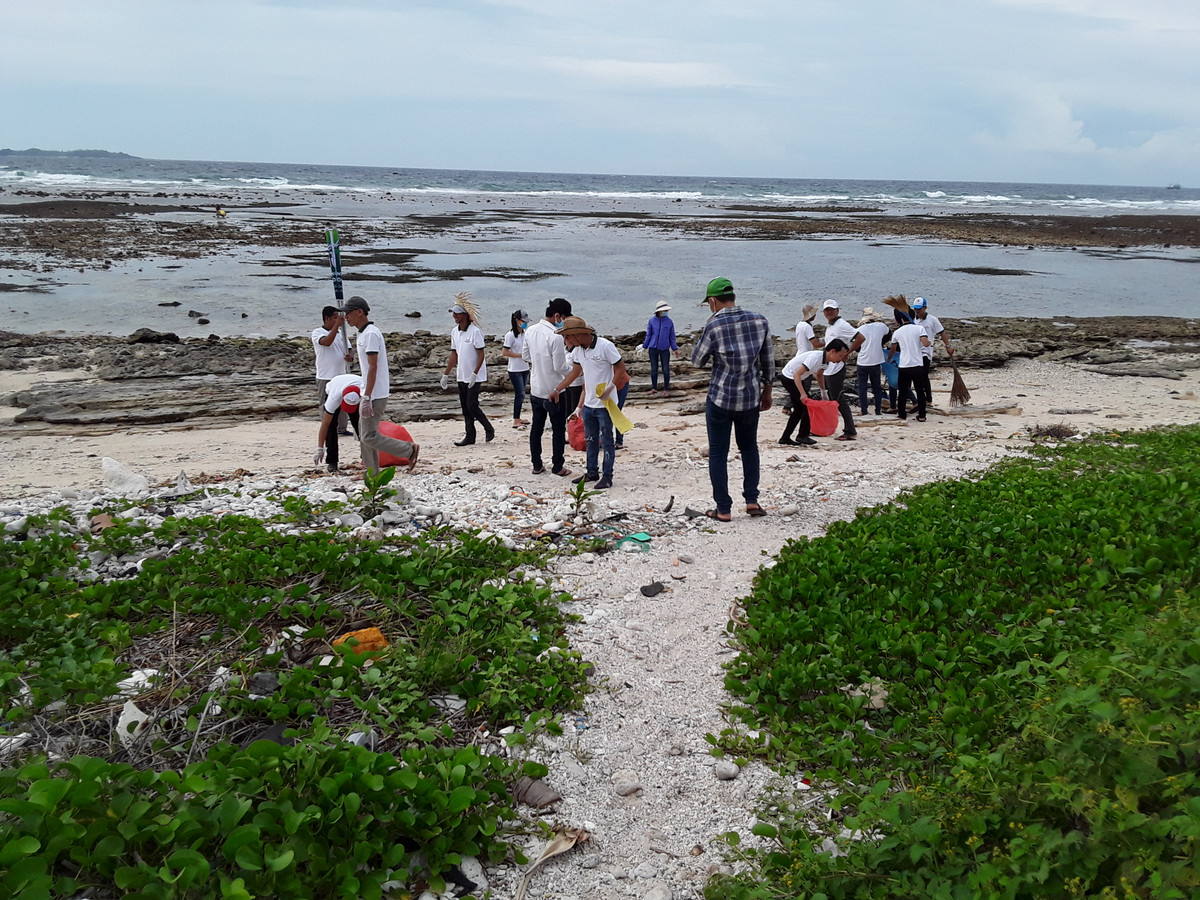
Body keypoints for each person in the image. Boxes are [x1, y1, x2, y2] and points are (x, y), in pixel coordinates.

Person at [691, 277, 774, 522]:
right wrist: (767, 391)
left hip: (721, 397)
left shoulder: (714, 325)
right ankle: (752, 500)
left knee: (718, 451)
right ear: (734, 296)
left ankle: (723, 508)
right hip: (750, 397)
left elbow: (697, 361)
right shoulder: (760, 320)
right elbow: (768, 360)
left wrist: (708, 326)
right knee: (749, 447)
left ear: (713, 301)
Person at [550, 316, 628, 490]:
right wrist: (558, 388)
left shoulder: (605, 346)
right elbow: (575, 373)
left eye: (567, 337)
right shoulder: (578, 351)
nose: (565, 341)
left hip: (606, 404)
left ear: (576, 335)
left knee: (607, 441)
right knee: (590, 439)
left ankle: (607, 476)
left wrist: (611, 387)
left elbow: (621, 368)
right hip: (589, 404)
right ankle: (592, 471)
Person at [342, 295, 406, 474]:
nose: (346, 317)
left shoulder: (370, 333)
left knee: (368, 436)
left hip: (375, 392)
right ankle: (372, 473)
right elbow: (366, 361)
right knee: (364, 437)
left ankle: (408, 450)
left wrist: (367, 397)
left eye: (349, 313)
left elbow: (373, 366)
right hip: (368, 389)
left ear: (360, 312)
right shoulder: (361, 333)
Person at [313, 373, 418, 474]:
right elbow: (325, 425)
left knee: (362, 428)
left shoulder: (365, 392)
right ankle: (332, 461)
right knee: (331, 428)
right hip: (336, 388)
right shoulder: (334, 398)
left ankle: (366, 458)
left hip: (360, 393)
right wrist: (320, 448)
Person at [521, 298, 574, 477]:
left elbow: (525, 355)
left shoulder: (530, 331)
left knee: (537, 427)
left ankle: (537, 464)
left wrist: (539, 362)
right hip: (555, 389)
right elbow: (560, 367)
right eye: (564, 318)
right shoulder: (556, 336)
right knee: (558, 429)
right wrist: (574, 370)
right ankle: (557, 465)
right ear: (557, 316)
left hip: (536, 387)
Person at [777, 339, 851, 446]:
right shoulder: (816, 357)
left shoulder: (826, 361)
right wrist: (803, 394)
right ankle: (800, 436)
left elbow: (819, 375)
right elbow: (796, 375)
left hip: (798, 379)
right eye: (840, 356)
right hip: (789, 377)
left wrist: (823, 392)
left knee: (800, 409)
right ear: (833, 351)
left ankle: (788, 437)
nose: (841, 360)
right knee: (805, 406)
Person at [442, 302, 494, 446]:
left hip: (474, 375)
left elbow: (481, 354)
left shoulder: (475, 332)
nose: (455, 316)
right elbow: (454, 354)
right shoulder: (455, 332)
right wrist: (446, 374)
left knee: (472, 405)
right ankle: (470, 436)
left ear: (465, 315)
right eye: (454, 314)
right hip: (461, 374)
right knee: (465, 407)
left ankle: (488, 428)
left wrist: (475, 373)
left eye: (457, 313)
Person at [819, 299, 858, 441]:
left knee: (839, 399)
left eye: (832, 309)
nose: (829, 312)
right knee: (834, 399)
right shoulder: (831, 326)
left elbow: (859, 337)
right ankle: (829, 426)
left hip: (837, 368)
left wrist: (847, 353)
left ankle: (850, 430)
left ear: (838, 310)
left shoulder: (842, 325)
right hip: (829, 367)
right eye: (827, 310)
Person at [312, 305, 354, 436]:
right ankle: (328, 428)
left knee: (342, 403)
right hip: (325, 375)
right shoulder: (317, 332)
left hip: (341, 374)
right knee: (326, 403)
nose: (338, 321)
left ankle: (342, 428)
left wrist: (350, 356)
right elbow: (326, 342)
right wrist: (336, 326)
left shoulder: (342, 334)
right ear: (327, 318)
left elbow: (349, 348)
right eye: (335, 318)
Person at [890, 309, 933, 421]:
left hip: (904, 365)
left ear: (901, 318)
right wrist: (930, 342)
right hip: (917, 364)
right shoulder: (919, 329)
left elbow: (893, 349)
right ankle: (922, 415)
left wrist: (889, 359)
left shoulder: (897, 332)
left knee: (903, 391)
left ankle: (901, 414)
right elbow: (925, 343)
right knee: (920, 390)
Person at [848, 307, 891, 417]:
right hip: (876, 360)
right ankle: (878, 410)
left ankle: (864, 410)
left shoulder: (860, 330)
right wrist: (879, 343)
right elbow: (889, 334)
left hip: (863, 360)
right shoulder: (881, 326)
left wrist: (861, 349)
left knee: (862, 387)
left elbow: (856, 345)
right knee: (876, 386)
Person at [912, 297, 953, 404]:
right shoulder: (913, 319)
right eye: (915, 309)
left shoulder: (932, 320)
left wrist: (947, 346)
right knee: (915, 375)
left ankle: (928, 399)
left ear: (925, 308)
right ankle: (917, 397)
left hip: (926, 351)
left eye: (919, 309)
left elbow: (942, 332)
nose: (917, 311)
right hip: (914, 351)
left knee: (924, 374)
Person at [502, 309, 532, 427]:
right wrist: (520, 355)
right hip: (515, 369)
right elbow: (505, 352)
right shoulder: (510, 335)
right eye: (523, 321)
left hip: (525, 368)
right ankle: (516, 419)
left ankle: (518, 417)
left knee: (523, 393)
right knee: (519, 394)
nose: (525, 323)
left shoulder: (525, 334)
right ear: (516, 321)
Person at [642, 300, 678, 395]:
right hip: (653, 348)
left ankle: (666, 389)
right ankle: (654, 388)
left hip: (665, 349)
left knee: (666, 370)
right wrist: (644, 346)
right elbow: (649, 335)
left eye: (666, 310)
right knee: (654, 369)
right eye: (664, 310)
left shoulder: (669, 322)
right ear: (659, 311)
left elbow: (672, 337)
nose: (666, 312)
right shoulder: (651, 321)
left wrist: (675, 348)